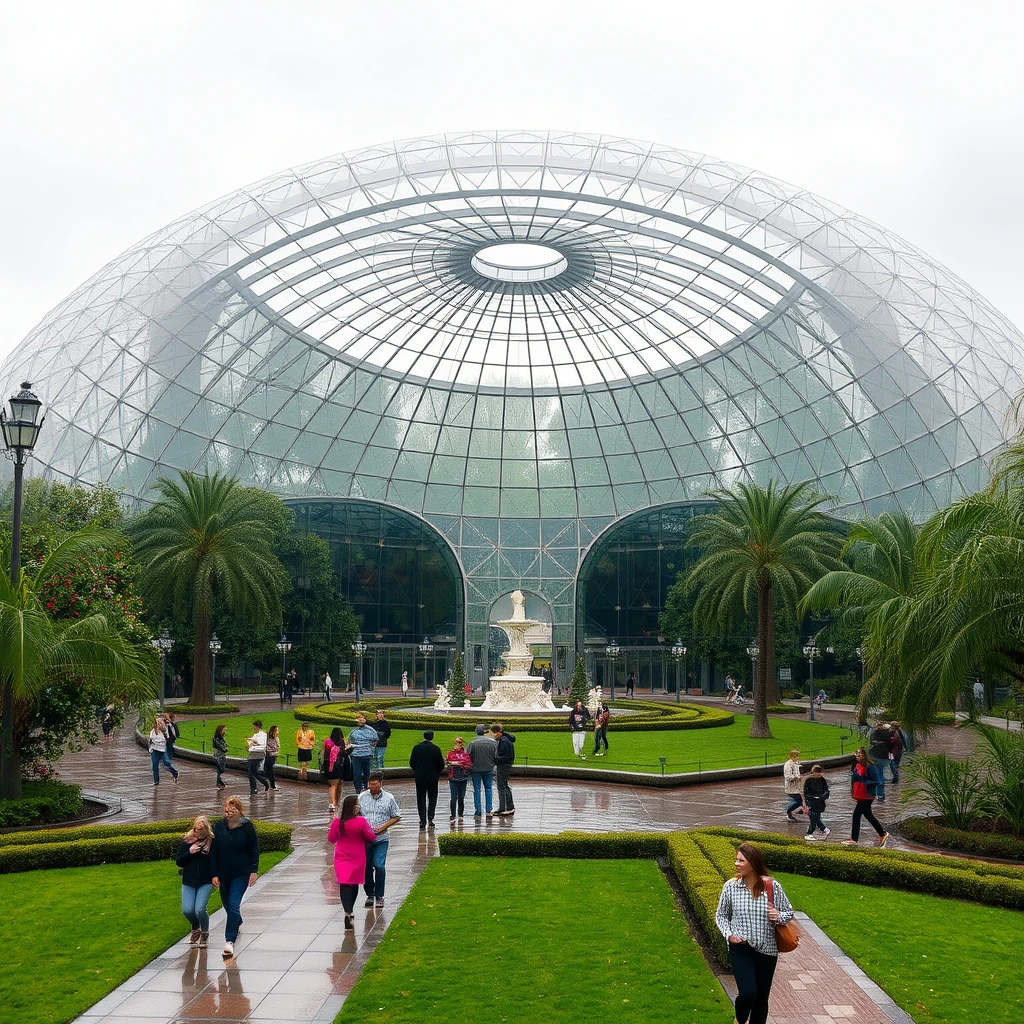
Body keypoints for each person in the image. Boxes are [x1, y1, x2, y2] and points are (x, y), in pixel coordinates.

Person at [714, 841, 794, 1024]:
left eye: (741, 860)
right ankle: (740, 1020)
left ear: (753, 862)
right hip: (741, 948)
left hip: (767, 949)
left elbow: (788, 911)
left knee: (761, 999)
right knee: (748, 993)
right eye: (736, 860)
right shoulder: (731, 887)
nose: (736, 864)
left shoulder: (772, 887)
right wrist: (729, 935)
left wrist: (778, 916)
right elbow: (721, 916)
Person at [210, 795, 260, 960]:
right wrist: (214, 874)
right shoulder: (218, 826)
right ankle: (236, 920)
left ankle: (229, 941)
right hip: (224, 874)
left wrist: (253, 870)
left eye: (232, 810)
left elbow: (254, 849)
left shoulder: (247, 827)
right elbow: (214, 852)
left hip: (241, 873)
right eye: (226, 811)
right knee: (227, 905)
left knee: (233, 904)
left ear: (239, 810)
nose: (228, 814)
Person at [328, 794, 379, 930]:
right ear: (352, 806)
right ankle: (349, 911)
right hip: (356, 856)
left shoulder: (337, 822)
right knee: (352, 883)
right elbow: (371, 837)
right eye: (357, 804)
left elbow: (332, 839)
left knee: (345, 883)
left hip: (342, 856)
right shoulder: (361, 822)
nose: (358, 807)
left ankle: (348, 911)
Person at [358, 773, 401, 908]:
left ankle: (379, 895)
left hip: (381, 838)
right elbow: (356, 814)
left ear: (381, 784)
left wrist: (383, 826)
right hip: (365, 838)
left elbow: (396, 816)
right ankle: (370, 894)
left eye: (375, 785)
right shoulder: (362, 797)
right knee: (366, 867)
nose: (373, 788)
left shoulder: (389, 798)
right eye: (370, 785)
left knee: (379, 865)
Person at [176, 815, 214, 947]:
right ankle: (195, 926)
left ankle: (204, 932)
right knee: (187, 910)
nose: (199, 834)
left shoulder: (211, 842)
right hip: (189, 881)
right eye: (197, 830)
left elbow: (216, 861)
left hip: (206, 881)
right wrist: (190, 852)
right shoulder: (187, 842)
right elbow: (179, 861)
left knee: (199, 909)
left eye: (202, 831)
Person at [842, 748, 888, 847]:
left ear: (864, 755)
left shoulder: (870, 767)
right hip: (859, 794)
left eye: (859, 754)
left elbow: (876, 780)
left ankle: (854, 839)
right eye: (856, 754)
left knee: (856, 815)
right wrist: (853, 792)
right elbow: (853, 780)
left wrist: (863, 781)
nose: (857, 756)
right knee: (868, 815)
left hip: (867, 795)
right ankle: (882, 833)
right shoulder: (856, 766)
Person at [409, 729, 445, 828]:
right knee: (432, 797)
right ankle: (430, 817)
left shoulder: (417, 748)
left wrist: (417, 771)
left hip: (420, 776)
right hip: (433, 777)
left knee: (421, 798)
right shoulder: (436, 749)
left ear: (424, 736)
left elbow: (412, 763)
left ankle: (422, 820)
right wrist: (436, 772)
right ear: (432, 737)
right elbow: (441, 764)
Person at [468, 723, 497, 818]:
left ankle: (478, 811)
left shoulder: (473, 743)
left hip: (475, 769)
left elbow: (468, 756)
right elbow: (496, 756)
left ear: (476, 732)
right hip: (489, 768)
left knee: (477, 790)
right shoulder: (492, 742)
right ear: (484, 731)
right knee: (488, 789)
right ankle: (488, 810)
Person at [348, 713, 379, 793]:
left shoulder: (371, 730)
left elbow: (375, 741)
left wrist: (369, 748)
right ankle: (358, 790)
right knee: (357, 776)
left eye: (362, 718)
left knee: (368, 775)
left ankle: (367, 788)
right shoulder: (353, 732)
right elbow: (349, 742)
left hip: (367, 756)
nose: (360, 720)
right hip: (356, 757)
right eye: (359, 719)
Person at [324, 727, 351, 813]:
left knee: (332, 784)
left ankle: (332, 803)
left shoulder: (328, 742)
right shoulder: (343, 742)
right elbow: (346, 753)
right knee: (339, 784)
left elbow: (326, 753)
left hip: (331, 765)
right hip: (342, 765)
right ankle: (336, 802)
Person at [801, 764, 831, 841]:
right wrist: (811, 798)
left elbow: (826, 790)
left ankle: (823, 828)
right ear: (813, 772)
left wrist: (823, 797)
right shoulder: (808, 780)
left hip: (820, 801)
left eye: (819, 772)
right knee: (813, 817)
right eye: (816, 772)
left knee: (816, 816)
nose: (818, 774)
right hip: (811, 802)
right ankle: (810, 833)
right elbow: (806, 792)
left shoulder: (822, 780)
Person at [445, 736, 472, 821]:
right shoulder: (464, 755)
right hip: (459, 777)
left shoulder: (451, 754)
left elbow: (447, 766)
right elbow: (469, 766)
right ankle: (457, 814)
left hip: (456, 777)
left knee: (457, 797)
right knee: (458, 797)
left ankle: (456, 814)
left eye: (458, 743)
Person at [492, 722, 516, 817]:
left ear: (499, 732)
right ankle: (508, 807)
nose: (494, 735)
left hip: (503, 766)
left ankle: (504, 808)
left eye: (495, 732)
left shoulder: (504, 741)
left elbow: (506, 756)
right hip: (505, 765)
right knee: (505, 786)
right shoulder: (505, 739)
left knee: (501, 787)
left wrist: (495, 759)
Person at [148, 716, 179, 786]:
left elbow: (170, 737)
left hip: (162, 750)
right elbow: (150, 740)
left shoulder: (164, 731)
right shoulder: (152, 731)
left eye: (159, 723)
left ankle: (175, 773)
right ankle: (156, 781)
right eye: (157, 723)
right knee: (154, 765)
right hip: (155, 750)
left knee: (166, 763)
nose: (158, 725)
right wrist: (150, 742)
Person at [868, 722, 891, 802]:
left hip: (877, 756)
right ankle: (880, 794)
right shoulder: (888, 734)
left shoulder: (875, 733)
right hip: (884, 756)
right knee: (880, 773)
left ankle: (879, 794)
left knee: (879, 775)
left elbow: (871, 742)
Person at [245, 721, 270, 795]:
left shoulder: (262, 735)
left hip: (256, 755)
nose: (253, 728)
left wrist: (253, 742)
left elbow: (262, 745)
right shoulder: (256, 735)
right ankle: (262, 782)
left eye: (254, 726)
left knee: (251, 772)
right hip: (254, 755)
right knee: (253, 772)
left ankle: (255, 788)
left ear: (257, 726)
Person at [783, 749, 804, 821]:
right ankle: (789, 811)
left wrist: (799, 777)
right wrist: (795, 778)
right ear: (791, 756)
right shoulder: (788, 765)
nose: (797, 758)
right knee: (799, 800)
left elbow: (797, 773)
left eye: (797, 756)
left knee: (802, 799)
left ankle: (799, 809)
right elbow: (787, 776)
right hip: (791, 786)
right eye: (795, 756)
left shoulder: (796, 763)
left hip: (797, 786)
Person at [264, 725, 280, 791]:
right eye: (277, 730)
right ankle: (272, 786)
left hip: (272, 756)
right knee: (270, 771)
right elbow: (276, 747)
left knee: (268, 770)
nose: (278, 731)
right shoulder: (271, 738)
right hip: (269, 756)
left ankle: (270, 784)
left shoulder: (276, 738)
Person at [212, 724, 228, 789]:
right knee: (221, 769)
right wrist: (224, 749)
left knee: (220, 770)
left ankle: (219, 783)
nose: (225, 730)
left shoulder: (221, 737)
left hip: (221, 755)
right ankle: (219, 782)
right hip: (219, 756)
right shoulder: (217, 738)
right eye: (224, 729)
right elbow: (219, 746)